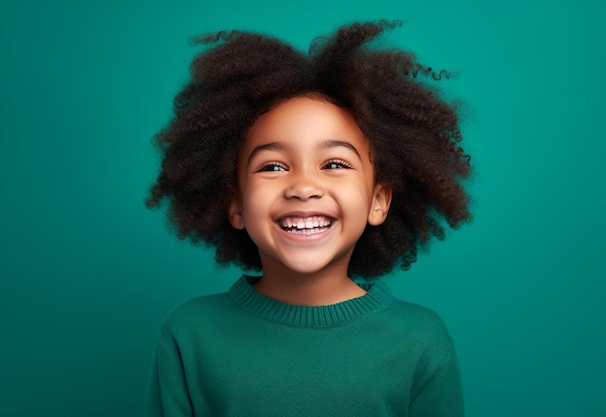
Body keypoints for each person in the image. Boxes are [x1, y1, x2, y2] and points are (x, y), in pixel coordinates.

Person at [145, 20, 472, 417]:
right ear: (235, 204)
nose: (303, 186)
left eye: (334, 163)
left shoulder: (421, 341)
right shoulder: (190, 335)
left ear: (378, 201)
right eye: (272, 166)